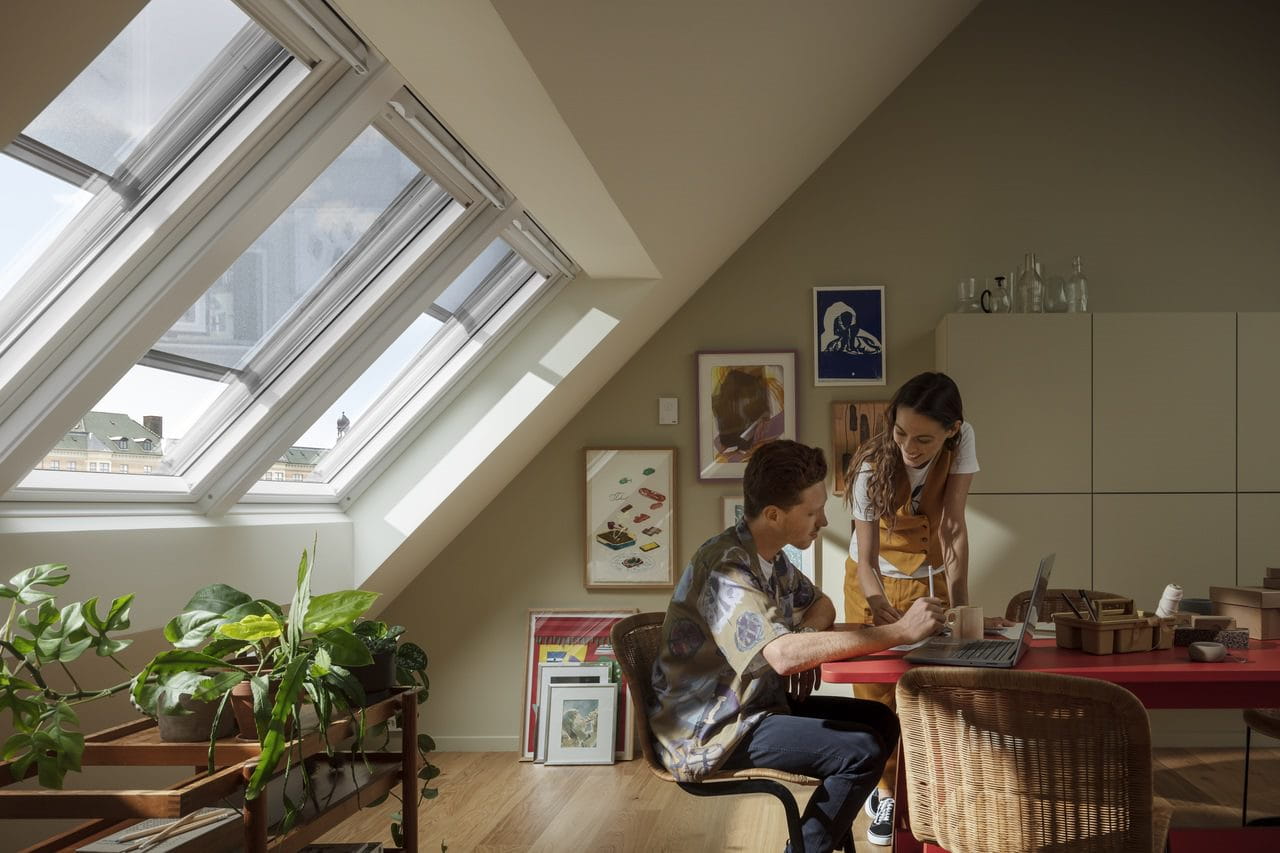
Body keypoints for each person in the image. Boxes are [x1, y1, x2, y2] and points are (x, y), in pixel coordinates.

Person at [648, 440, 943, 853]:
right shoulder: (728, 567)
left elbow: (820, 605)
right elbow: (782, 658)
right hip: (712, 731)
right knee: (861, 751)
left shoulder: (772, 557)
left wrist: (802, 640)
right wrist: (900, 633)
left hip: (752, 706)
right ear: (774, 515)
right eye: (812, 511)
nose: (823, 520)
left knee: (882, 721)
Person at [841, 370, 1010, 846]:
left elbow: (953, 527)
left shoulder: (963, 441)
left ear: (952, 429)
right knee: (877, 697)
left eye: (923, 439)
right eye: (899, 433)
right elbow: (868, 559)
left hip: (924, 582)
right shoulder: (872, 465)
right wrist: (881, 616)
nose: (909, 448)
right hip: (871, 582)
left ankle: (929, 791)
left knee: (927, 693)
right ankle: (885, 792)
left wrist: (963, 613)